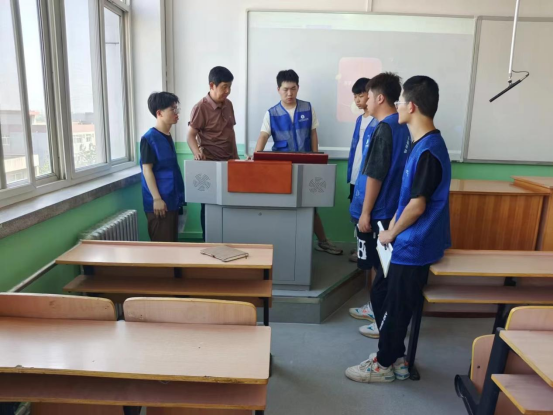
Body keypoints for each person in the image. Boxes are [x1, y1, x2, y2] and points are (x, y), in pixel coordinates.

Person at [345, 75, 452, 383]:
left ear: (412, 106)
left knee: (395, 307)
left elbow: (418, 205)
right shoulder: (420, 143)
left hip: (414, 244)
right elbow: (409, 198)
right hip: (405, 240)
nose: (398, 106)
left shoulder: (429, 149)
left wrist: (391, 232)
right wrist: (392, 225)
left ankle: (384, 365)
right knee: (383, 293)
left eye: (401, 102)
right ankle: (398, 358)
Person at [348, 73, 411, 338]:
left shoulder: (384, 128)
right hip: (391, 208)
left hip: (380, 211)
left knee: (381, 268)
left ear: (380, 98)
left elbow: (375, 175)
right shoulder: (403, 124)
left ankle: (381, 317)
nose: (366, 101)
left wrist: (365, 213)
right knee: (382, 267)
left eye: (370, 96)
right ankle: (377, 310)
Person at [254, 69, 343, 256]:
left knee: (311, 206)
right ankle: (282, 242)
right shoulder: (271, 113)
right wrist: (256, 156)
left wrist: (317, 159)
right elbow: (263, 135)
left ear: (298, 88)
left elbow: (313, 134)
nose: (289, 93)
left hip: (306, 166)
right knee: (282, 206)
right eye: (285, 89)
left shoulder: (307, 108)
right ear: (278, 89)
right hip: (282, 169)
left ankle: (322, 242)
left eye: (293, 89)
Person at [187, 66, 238, 241]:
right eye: (224, 87)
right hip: (210, 165)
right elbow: (190, 135)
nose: (228, 91)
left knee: (229, 204)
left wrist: (236, 158)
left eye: (230, 87)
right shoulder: (200, 107)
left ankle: (227, 241)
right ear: (212, 85)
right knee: (209, 206)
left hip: (229, 164)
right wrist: (196, 152)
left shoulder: (228, 104)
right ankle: (208, 241)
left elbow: (231, 133)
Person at [140, 92, 185, 242]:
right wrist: (157, 199)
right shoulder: (149, 138)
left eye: (177, 109)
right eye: (173, 109)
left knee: (172, 244)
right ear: (159, 113)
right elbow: (147, 170)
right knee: (162, 248)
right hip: (159, 203)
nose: (177, 113)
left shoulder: (167, 136)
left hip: (172, 200)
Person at [347, 77, 378, 263]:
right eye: (355, 96)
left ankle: (365, 251)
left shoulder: (378, 121)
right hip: (355, 174)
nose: (357, 100)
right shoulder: (360, 119)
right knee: (355, 213)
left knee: (366, 213)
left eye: (361, 95)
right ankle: (360, 246)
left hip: (367, 176)